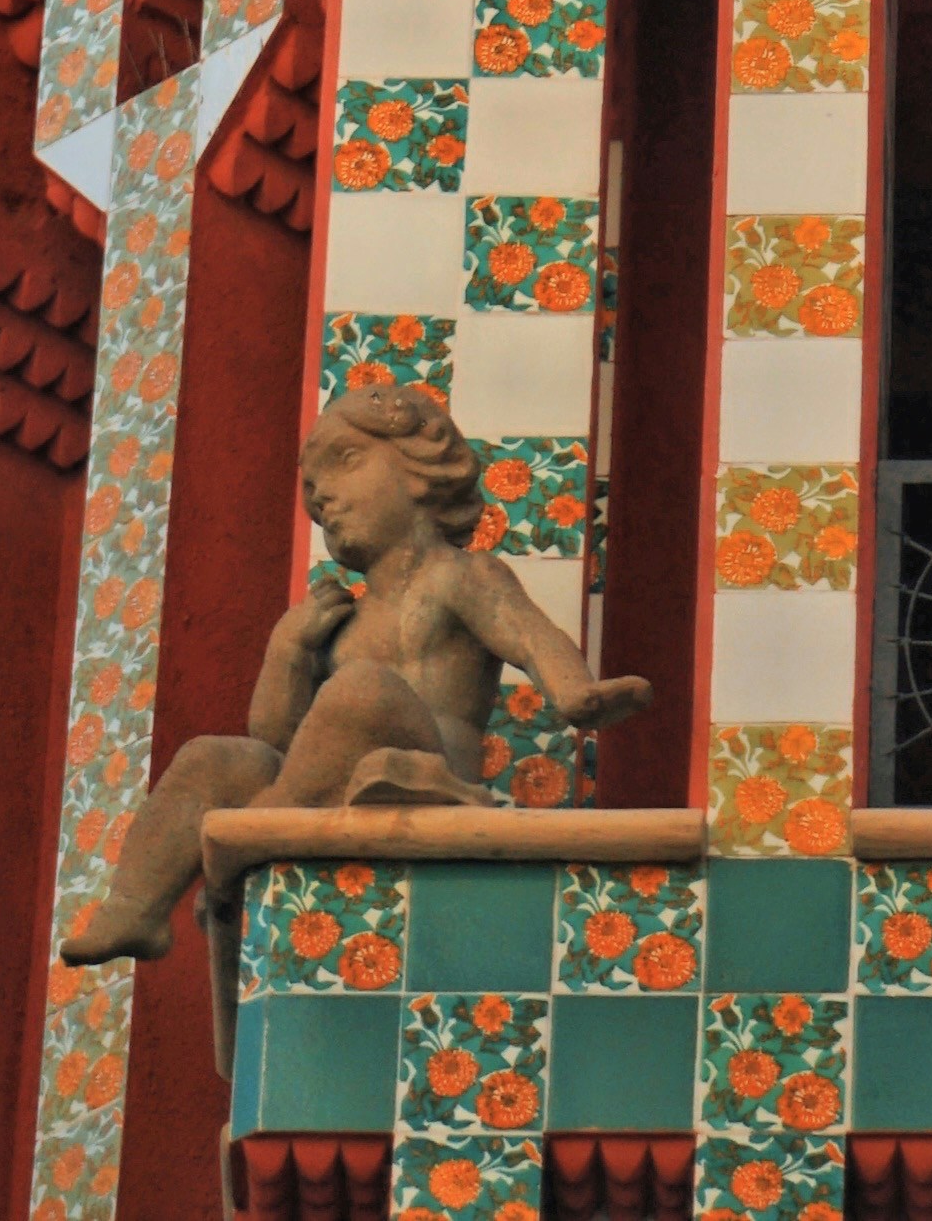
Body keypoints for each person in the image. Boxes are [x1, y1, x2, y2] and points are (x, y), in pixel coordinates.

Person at [58, 370, 650, 963]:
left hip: (432, 768)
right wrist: (287, 653)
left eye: (346, 461)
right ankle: (133, 909)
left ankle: (251, 831)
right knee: (211, 757)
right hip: (324, 781)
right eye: (313, 489)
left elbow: (527, 633)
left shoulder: (460, 575)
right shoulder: (339, 622)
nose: (323, 497)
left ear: (423, 469)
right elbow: (275, 737)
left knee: (362, 691)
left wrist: (577, 694)